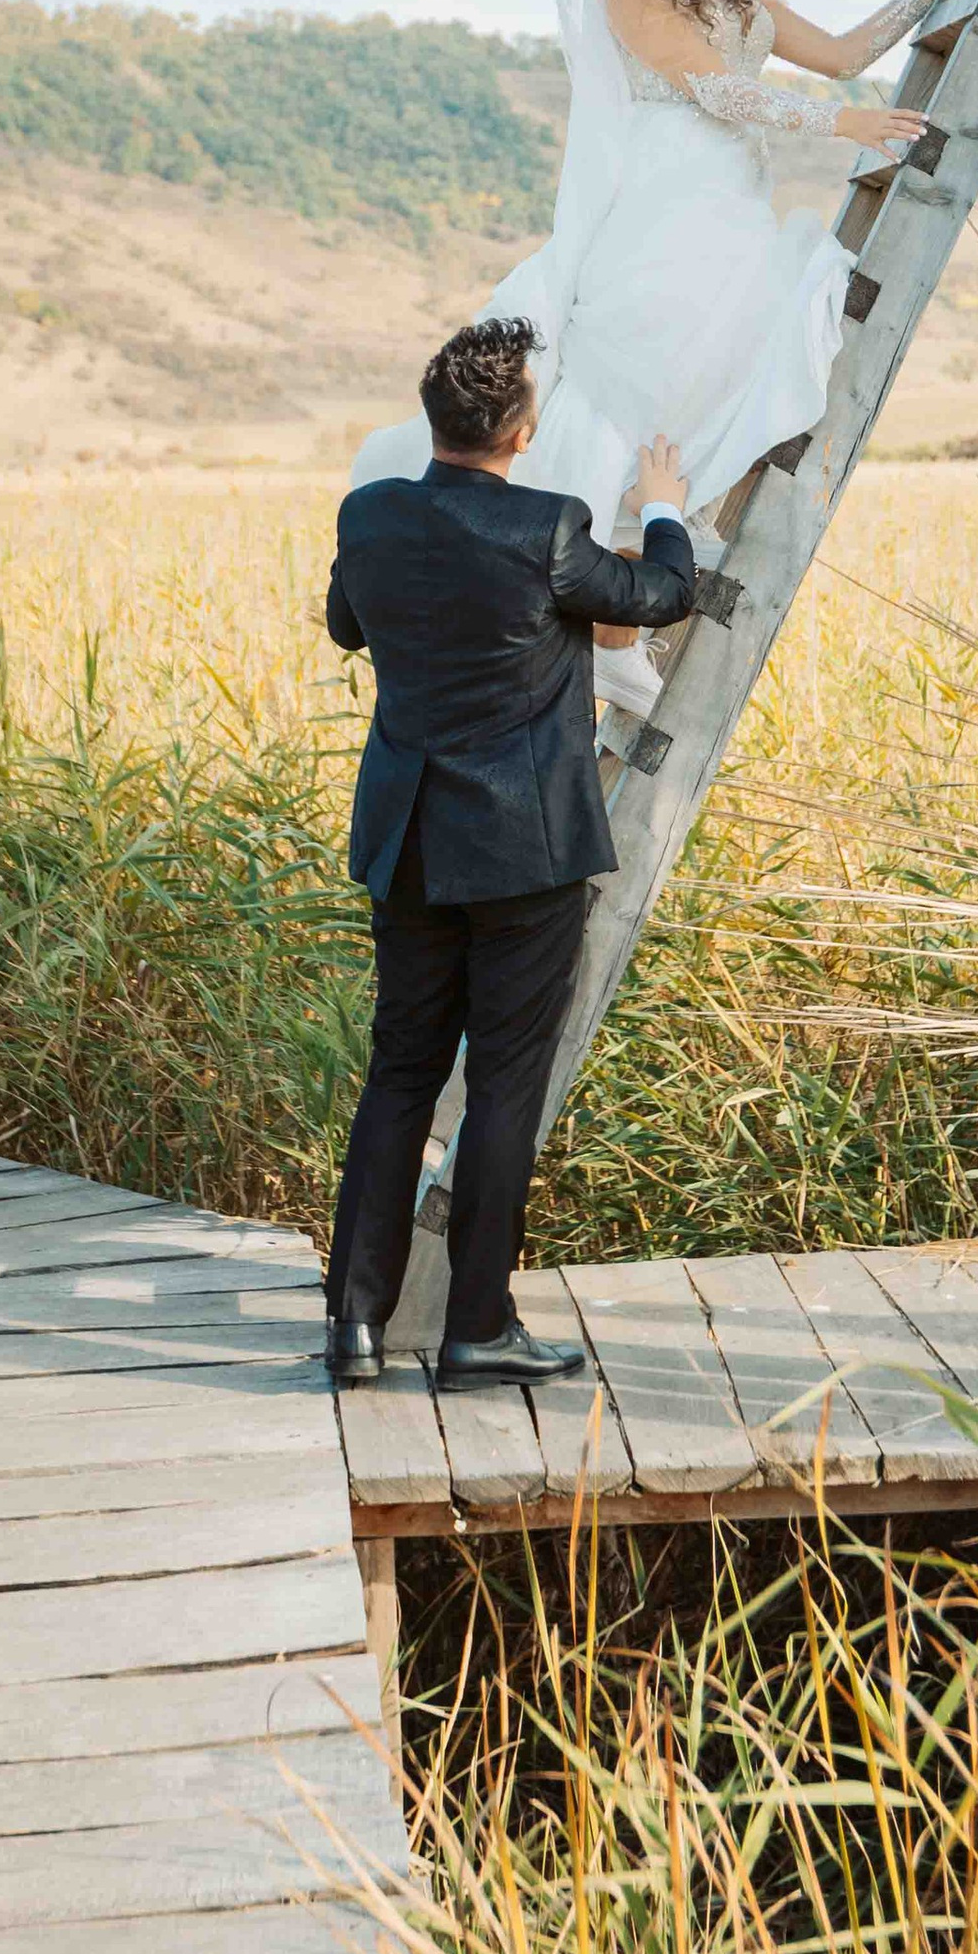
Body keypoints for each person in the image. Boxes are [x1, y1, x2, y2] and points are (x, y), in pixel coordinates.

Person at [350, 0, 978, 713]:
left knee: (708, 369)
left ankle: (629, 606)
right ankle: (606, 620)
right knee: (638, 377)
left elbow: (843, 51)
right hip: (667, 197)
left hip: (730, 199)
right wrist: (842, 123)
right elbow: (719, 92)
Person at [322, 311, 697, 1390]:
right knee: (501, 1087)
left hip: (408, 842)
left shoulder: (370, 514)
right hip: (522, 855)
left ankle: (353, 1326)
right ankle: (475, 1328)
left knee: (399, 1074)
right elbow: (661, 595)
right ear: (522, 434)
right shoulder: (549, 527)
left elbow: (348, 625)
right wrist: (662, 505)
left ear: (433, 419)